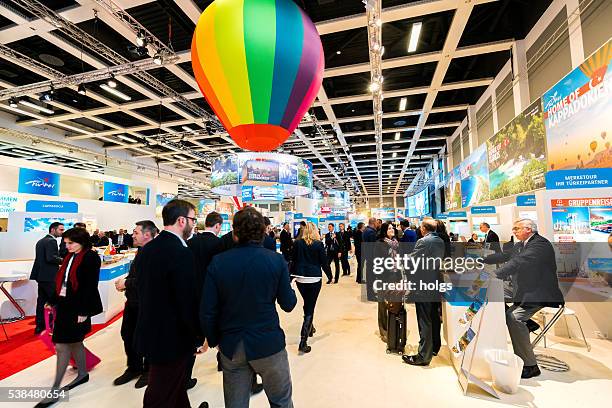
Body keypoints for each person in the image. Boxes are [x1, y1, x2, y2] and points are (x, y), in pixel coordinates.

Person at [202, 207, 297, 408]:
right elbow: (288, 304)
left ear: (235, 234)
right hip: (269, 344)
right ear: (263, 232)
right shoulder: (276, 260)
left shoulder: (218, 263)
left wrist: (214, 340)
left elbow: (208, 310)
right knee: (281, 402)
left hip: (232, 346)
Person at [134, 199, 206, 408]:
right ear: (182, 220)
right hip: (171, 338)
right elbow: (185, 301)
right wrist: (197, 336)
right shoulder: (180, 253)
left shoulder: (148, 249)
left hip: (152, 331)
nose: (194, 224)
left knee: (173, 385)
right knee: (161, 392)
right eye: (193, 219)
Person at [35, 228, 102, 408]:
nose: (67, 246)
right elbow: (63, 283)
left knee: (62, 345)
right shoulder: (70, 256)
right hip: (65, 306)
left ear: (82, 241)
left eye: (70, 243)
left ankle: (55, 390)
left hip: (78, 308)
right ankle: (82, 373)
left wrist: (84, 311)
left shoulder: (90, 257)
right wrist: (53, 301)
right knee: (74, 342)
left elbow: (89, 287)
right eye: (65, 243)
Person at [488, 219, 563, 379]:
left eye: (517, 228)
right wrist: (480, 260)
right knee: (492, 294)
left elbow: (518, 261)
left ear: (528, 229)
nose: (513, 231)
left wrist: (496, 273)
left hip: (539, 292)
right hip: (522, 288)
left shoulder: (540, 245)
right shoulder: (520, 244)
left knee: (513, 318)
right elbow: (505, 256)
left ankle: (530, 365)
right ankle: (529, 323)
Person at [113, 220, 158, 388]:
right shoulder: (141, 251)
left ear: (147, 234)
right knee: (127, 334)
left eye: (136, 232)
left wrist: (127, 283)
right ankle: (134, 367)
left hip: (146, 303)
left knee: (146, 337)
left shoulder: (154, 253)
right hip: (132, 301)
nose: (133, 235)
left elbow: (149, 280)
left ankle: (148, 371)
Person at [186, 211, 224, 386]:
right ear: (217, 226)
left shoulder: (190, 243)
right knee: (219, 328)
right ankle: (222, 360)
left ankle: (186, 377)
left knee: (192, 337)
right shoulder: (220, 244)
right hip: (213, 293)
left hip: (192, 293)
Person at [402, 219, 445, 366]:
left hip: (422, 286)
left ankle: (423, 356)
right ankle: (434, 347)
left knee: (424, 320)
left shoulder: (423, 242)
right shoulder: (439, 240)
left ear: (424, 229)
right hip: (434, 284)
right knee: (433, 317)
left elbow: (412, 262)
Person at [290, 222, 332, 354]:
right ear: (315, 231)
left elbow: (292, 259)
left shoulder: (297, 243)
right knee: (310, 307)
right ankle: (303, 341)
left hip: (300, 278)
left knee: (307, 303)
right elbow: (324, 262)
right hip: (314, 278)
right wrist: (330, 275)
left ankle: (310, 328)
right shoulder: (318, 244)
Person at [30, 222, 65, 335]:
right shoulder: (52, 241)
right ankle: (56, 327)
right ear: (53, 230)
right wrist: (64, 261)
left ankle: (40, 326)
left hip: (41, 276)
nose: (62, 232)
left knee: (42, 301)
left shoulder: (41, 241)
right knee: (56, 301)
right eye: (60, 230)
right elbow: (51, 258)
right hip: (49, 276)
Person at [376, 222, 399, 343]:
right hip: (384, 277)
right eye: (389, 228)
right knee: (382, 304)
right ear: (385, 231)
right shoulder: (380, 243)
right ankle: (383, 330)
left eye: (392, 228)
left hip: (395, 276)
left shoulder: (396, 242)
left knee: (394, 303)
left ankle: (393, 328)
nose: (392, 229)